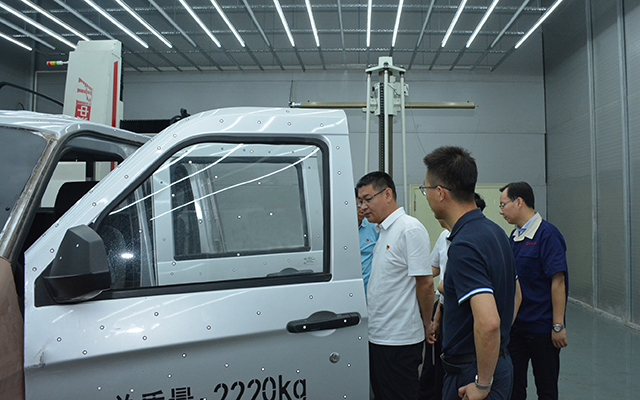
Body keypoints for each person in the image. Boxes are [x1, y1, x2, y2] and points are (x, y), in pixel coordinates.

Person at [422, 146, 516, 400]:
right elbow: (516, 293)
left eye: (425, 189)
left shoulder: (464, 245)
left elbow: (489, 322)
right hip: (496, 362)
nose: (426, 196)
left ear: (440, 193)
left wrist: (482, 384)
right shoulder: (494, 232)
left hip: (473, 372)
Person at [356, 171, 434, 400]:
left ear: (387, 194)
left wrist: (427, 323)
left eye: (367, 199)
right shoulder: (382, 231)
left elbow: (425, 283)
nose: (363, 207)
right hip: (378, 335)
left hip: (399, 340)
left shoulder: (409, 228)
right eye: (360, 201)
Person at [499, 182, 568, 400]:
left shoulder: (547, 235)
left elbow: (558, 282)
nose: (501, 211)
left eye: (503, 205)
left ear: (519, 202)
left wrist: (558, 325)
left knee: (546, 389)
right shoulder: (514, 237)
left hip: (542, 329)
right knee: (514, 387)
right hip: (517, 328)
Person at [419, 193, 488, 400]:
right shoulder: (444, 237)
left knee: (458, 360)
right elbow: (434, 267)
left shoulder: (474, 240)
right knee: (435, 361)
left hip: (463, 310)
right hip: (443, 306)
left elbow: (447, 286)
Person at [356, 188, 379, 296]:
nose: (362, 209)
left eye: (362, 203)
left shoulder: (373, 227)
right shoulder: (338, 231)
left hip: (370, 291)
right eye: (357, 205)